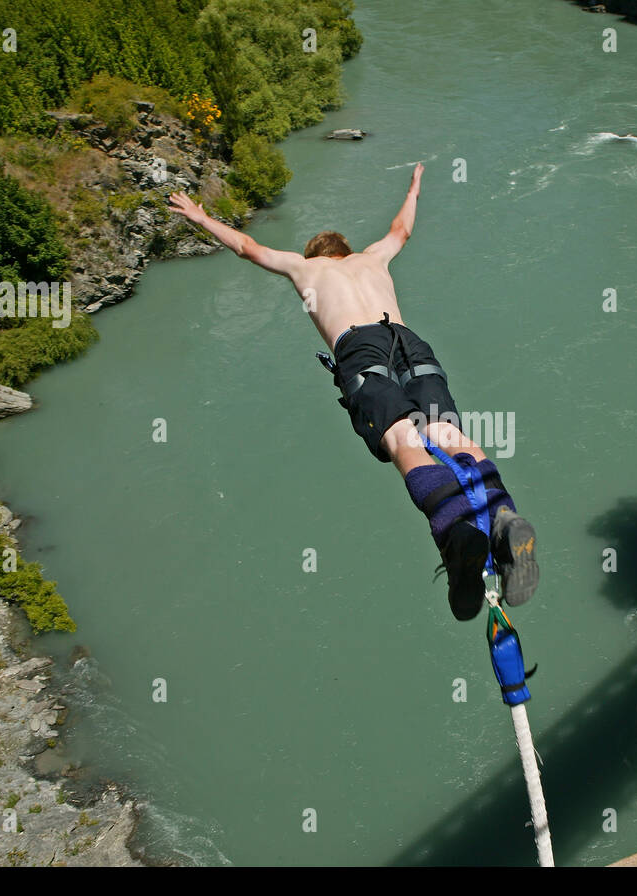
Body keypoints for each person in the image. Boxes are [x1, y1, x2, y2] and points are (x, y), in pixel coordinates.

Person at [168, 163, 537, 620]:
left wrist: (201, 218)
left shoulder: (304, 267)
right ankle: (503, 517)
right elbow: (400, 229)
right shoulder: (373, 258)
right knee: (445, 431)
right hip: (407, 339)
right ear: (346, 250)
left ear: (319, 254)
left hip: (360, 349)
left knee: (403, 439)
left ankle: (455, 531)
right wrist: (415, 185)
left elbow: (247, 247)